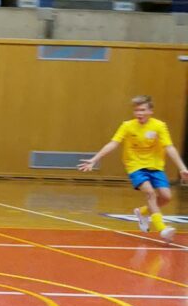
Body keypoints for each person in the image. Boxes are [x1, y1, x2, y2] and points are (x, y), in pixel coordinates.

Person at [79, 94, 185, 241]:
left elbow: (169, 147)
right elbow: (113, 143)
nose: (139, 113)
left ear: (150, 111)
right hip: (135, 166)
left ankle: (142, 212)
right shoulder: (127, 126)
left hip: (156, 166)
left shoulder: (159, 126)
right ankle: (162, 229)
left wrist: (182, 168)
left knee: (166, 197)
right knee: (150, 193)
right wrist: (94, 159)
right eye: (136, 110)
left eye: (142, 110)